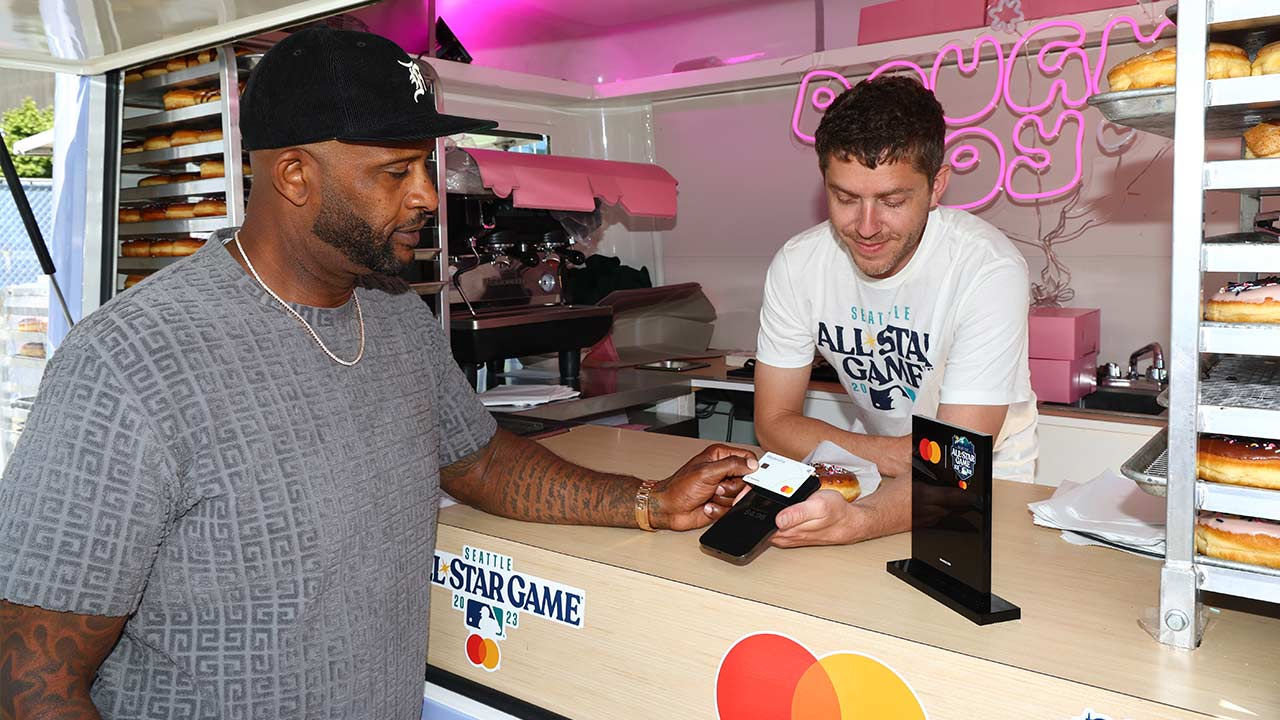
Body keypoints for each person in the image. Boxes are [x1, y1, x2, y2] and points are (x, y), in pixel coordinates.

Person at [0, 28, 755, 720]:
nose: (427, 194)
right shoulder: (131, 362)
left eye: (423, 166)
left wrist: (649, 502)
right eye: (396, 171)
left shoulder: (395, 315)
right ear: (295, 175)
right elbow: (30, 679)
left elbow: (481, 459)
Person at [753, 75, 1037, 549]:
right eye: (845, 198)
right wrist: (883, 455)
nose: (865, 227)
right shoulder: (798, 264)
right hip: (873, 472)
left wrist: (858, 522)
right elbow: (773, 421)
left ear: (937, 186)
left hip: (987, 483)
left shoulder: (988, 268)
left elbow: (956, 462)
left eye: (892, 200)